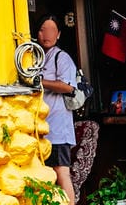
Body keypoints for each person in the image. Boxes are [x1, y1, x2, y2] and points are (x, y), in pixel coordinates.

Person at [37, 14, 76, 204]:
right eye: (43, 29)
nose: (47, 34)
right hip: (43, 127)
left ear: (59, 34)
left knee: (61, 172)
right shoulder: (36, 57)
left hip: (58, 126)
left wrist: (40, 82)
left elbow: (68, 86)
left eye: (52, 30)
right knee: (48, 173)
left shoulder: (62, 57)